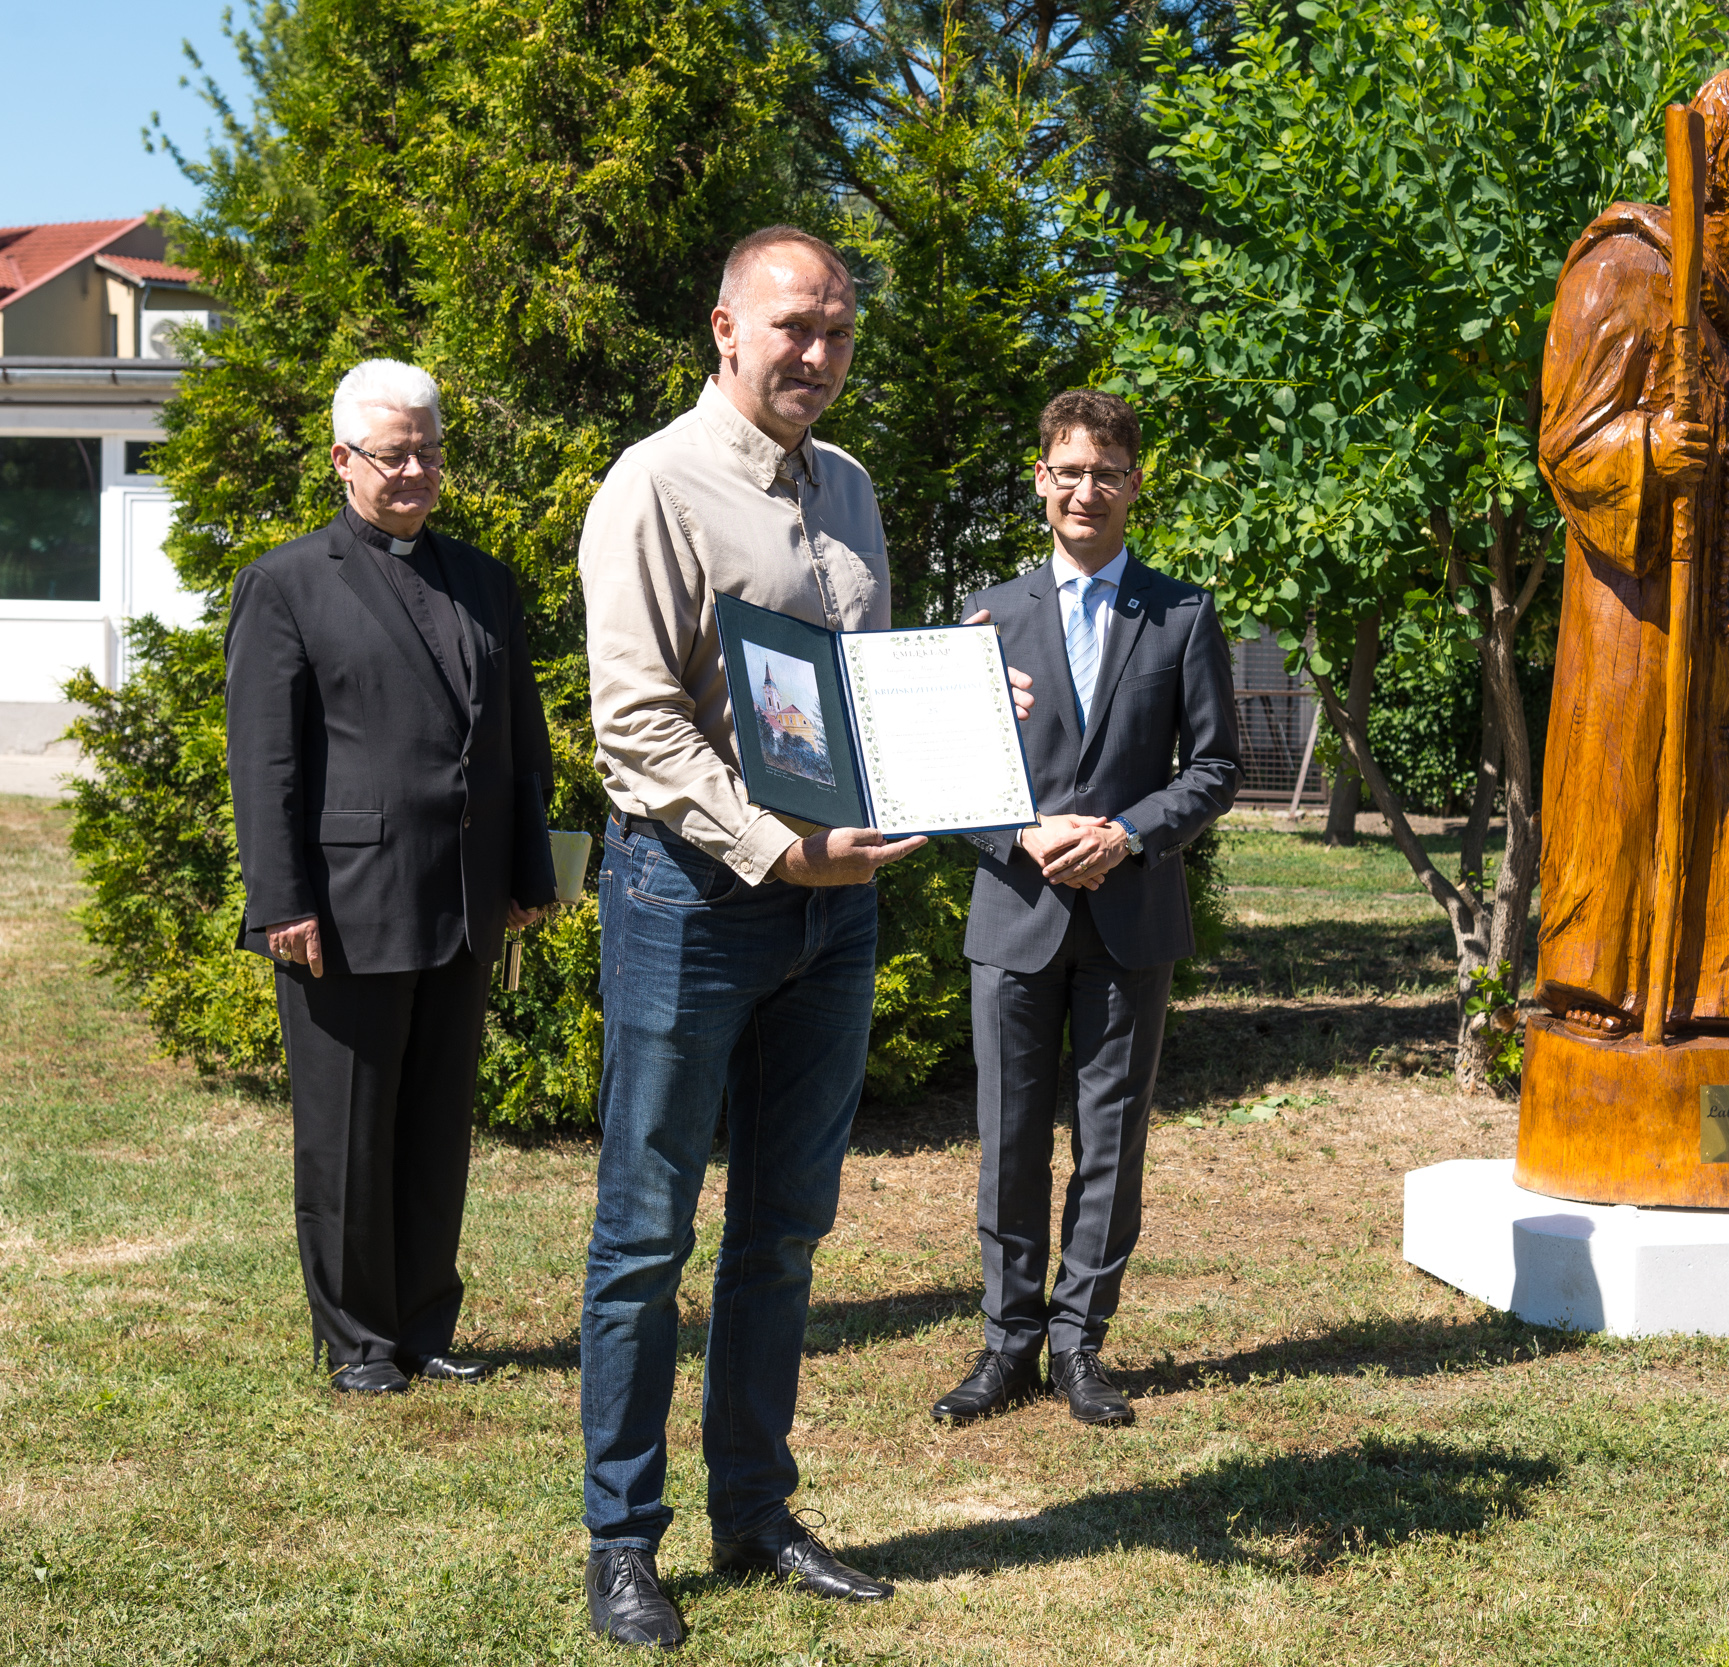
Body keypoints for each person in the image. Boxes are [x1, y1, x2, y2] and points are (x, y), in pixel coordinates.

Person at [573, 225, 1030, 1650]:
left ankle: (757, 1508)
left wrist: (962, 716)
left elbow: (848, 704)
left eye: (837, 331)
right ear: (725, 328)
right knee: (647, 1235)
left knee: (783, 1232)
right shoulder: (653, 484)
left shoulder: (849, 489)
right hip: (691, 904)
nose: (818, 355)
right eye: (792, 328)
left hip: (834, 917)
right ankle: (622, 1538)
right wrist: (781, 847)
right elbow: (638, 724)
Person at [225, 358, 557, 1397]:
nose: (414, 469)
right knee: (349, 1133)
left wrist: (528, 869)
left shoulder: (486, 580)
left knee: (433, 1121)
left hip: (460, 898)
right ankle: (357, 1335)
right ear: (342, 458)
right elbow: (265, 758)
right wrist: (281, 899)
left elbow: (518, 739)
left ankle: (423, 1320)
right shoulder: (286, 581)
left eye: (428, 449)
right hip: (345, 901)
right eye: (392, 452)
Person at [933, 389, 1240, 1431]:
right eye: (1067, 470)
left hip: (1129, 910)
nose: (1086, 490)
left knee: (1110, 1137)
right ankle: (1006, 1342)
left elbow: (1214, 767)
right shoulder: (985, 612)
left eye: (1106, 472)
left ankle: (1079, 1344)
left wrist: (1127, 833)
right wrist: (1016, 833)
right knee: (1010, 1134)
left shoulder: (1182, 613)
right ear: (1039, 481)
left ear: (1133, 485)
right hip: (1015, 906)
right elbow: (946, 769)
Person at [1534, 65, 1729, 1035]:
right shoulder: (1625, 270)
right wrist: (1651, 448)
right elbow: (1567, 444)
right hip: (1639, 619)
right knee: (1626, 802)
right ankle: (1605, 992)